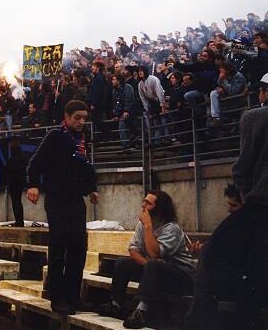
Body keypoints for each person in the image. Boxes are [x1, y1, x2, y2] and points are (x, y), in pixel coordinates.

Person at [185, 99, 268, 330]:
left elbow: (242, 169)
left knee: (211, 256)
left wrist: (246, 198)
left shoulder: (257, 117)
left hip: (260, 204)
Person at [25, 100, 99, 315]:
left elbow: (85, 169)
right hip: (57, 199)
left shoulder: (82, 141)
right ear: (66, 117)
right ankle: (57, 298)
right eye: (77, 117)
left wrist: (92, 188)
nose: (81, 122)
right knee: (58, 249)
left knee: (78, 248)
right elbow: (34, 163)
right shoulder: (56, 137)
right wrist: (33, 185)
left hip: (76, 199)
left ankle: (72, 297)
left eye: (84, 118)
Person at [99, 190, 196, 328]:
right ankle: (115, 305)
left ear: (160, 209)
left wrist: (148, 226)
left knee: (154, 265)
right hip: (158, 271)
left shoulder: (171, 228)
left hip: (183, 276)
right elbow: (133, 250)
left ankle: (142, 312)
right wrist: (147, 264)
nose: (143, 205)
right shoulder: (142, 225)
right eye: (144, 201)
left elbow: (154, 253)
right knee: (123, 263)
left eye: (148, 203)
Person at [138, 66, 169, 147]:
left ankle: (168, 139)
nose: (140, 73)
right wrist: (147, 109)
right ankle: (157, 141)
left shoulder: (153, 79)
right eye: (139, 71)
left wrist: (162, 105)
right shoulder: (140, 84)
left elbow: (159, 92)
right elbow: (143, 98)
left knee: (164, 121)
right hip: (152, 104)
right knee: (155, 124)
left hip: (159, 100)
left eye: (142, 71)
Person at [209, 61, 246, 127]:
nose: (220, 70)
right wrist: (219, 88)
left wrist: (222, 81)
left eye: (222, 68)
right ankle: (215, 117)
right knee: (213, 93)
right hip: (226, 101)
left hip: (238, 101)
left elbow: (233, 91)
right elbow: (218, 85)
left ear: (228, 70)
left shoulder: (238, 77)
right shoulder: (223, 75)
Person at [111, 73, 135, 152]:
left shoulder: (128, 88)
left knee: (126, 128)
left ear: (119, 80)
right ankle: (126, 145)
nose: (112, 81)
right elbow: (116, 104)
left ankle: (128, 145)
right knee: (122, 127)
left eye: (114, 79)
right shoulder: (114, 91)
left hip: (130, 112)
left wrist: (126, 110)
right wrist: (116, 115)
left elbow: (129, 100)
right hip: (121, 113)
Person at [6, 139, 27, 227]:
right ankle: (20, 220)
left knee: (15, 202)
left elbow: (8, 172)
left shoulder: (11, 160)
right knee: (18, 201)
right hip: (20, 182)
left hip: (13, 183)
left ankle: (18, 221)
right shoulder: (23, 159)